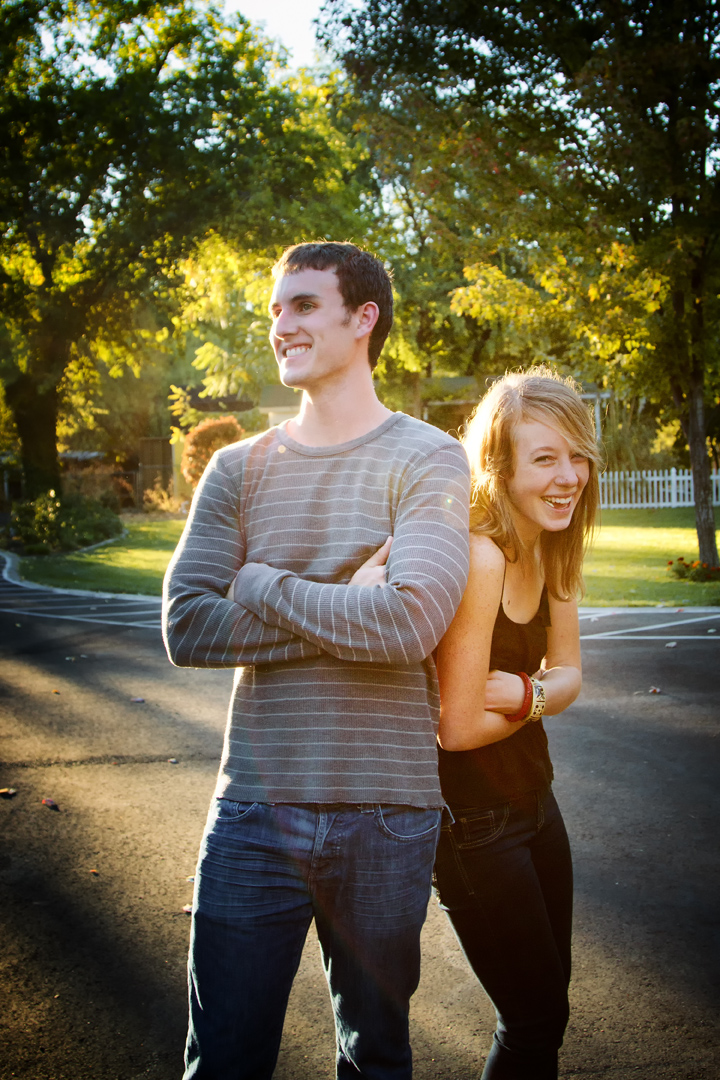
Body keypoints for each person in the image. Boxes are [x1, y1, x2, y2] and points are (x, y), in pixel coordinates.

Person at [162, 240, 471, 1080]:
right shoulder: (236, 469)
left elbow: (410, 625)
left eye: (302, 305)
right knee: (221, 1061)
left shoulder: (430, 455)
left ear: (362, 317)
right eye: (275, 308)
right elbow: (187, 626)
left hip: (387, 811)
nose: (280, 324)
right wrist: (343, 602)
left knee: (376, 1059)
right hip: (254, 810)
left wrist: (259, 581)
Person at [432, 368, 601, 1079]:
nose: (570, 477)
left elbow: (571, 676)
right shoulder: (480, 557)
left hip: (536, 803)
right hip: (473, 828)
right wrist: (539, 695)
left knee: (547, 1008)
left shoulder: (555, 542)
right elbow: (458, 728)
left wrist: (525, 694)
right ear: (499, 468)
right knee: (534, 1020)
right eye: (545, 458)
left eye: (577, 455)